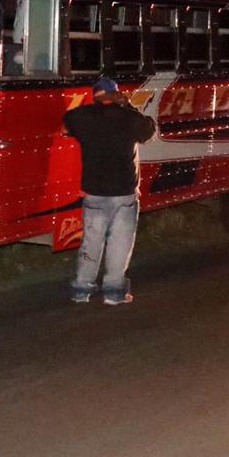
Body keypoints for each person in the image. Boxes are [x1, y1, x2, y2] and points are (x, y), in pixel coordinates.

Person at [63, 76, 156, 305]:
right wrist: (128, 105)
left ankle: (82, 289)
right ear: (116, 94)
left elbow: (68, 118)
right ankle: (114, 293)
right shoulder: (128, 118)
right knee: (120, 244)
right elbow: (148, 129)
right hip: (124, 192)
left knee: (91, 241)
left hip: (94, 191)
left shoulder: (83, 117)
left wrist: (97, 104)